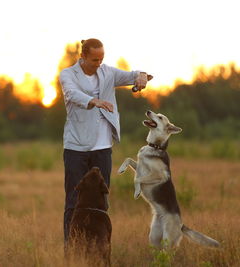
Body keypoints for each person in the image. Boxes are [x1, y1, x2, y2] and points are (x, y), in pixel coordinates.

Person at [59, 38, 150, 243]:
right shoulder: (68, 74)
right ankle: (71, 250)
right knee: (74, 202)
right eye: (94, 59)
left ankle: (99, 248)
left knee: (102, 201)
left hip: (103, 149)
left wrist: (142, 77)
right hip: (77, 148)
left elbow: (134, 75)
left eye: (101, 59)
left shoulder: (108, 72)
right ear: (82, 56)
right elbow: (72, 94)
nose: (98, 63)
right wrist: (94, 101)